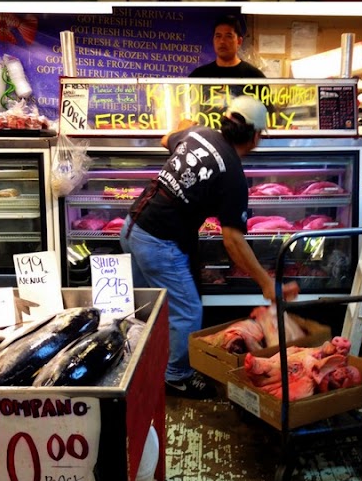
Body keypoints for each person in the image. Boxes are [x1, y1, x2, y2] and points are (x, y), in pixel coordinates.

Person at [121, 96, 297, 398]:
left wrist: (186, 127)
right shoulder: (232, 175)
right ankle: (176, 377)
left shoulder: (198, 133)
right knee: (187, 312)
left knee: (146, 308)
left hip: (131, 227)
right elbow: (233, 242)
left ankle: (139, 364)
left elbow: (168, 137)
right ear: (255, 137)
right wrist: (266, 283)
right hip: (159, 243)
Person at [189, 16, 264, 79]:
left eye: (228, 36)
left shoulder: (254, 77)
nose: (222, 41)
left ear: (239, 41)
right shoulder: (198, 76)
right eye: (218, 36)